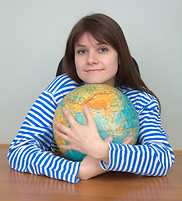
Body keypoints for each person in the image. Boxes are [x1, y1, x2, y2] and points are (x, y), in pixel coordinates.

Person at [7, 13, 174, 183]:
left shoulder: (141, 100)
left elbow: (162, 158)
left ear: (120, 57)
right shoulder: (59, 90)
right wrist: (79, 170)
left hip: (119, 192)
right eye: (82, 51)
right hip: (64, 192)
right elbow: (18, 150)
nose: (91, 60)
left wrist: (103, 151)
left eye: (102, 49)